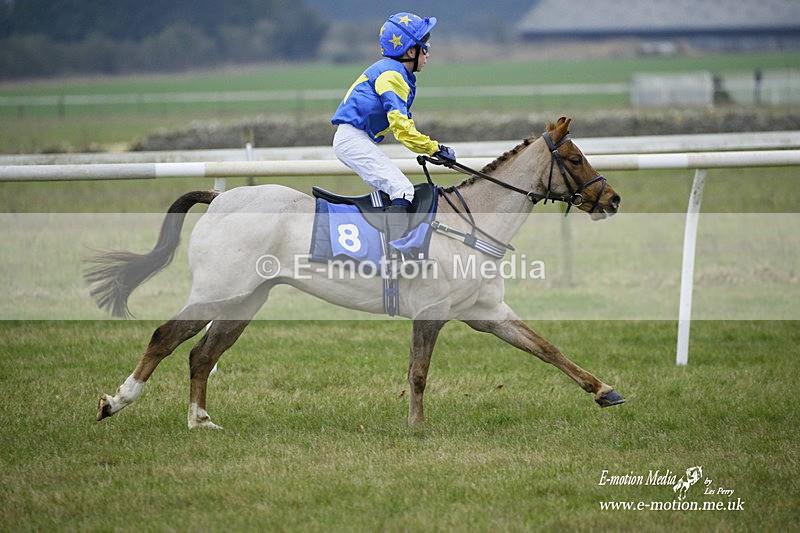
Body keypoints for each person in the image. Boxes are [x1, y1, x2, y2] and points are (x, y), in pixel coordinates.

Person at [331, 12, 456, 262]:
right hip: (352, 140)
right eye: (425, 47)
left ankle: (384, 248)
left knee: (393, 191)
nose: (428, 54)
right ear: (410, 51)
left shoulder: (393, 72)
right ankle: (396, 257)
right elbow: (402, 129)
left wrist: (431, 149)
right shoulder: (392, 76)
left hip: (355, 139)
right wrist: (434, 148)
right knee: (402, 190)